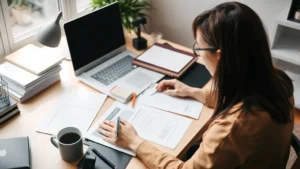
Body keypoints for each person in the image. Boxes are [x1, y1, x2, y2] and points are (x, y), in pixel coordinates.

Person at [98, 2, 295, 168]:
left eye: (199, 47)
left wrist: (135, 142)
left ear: (220, 55)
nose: (197, 54)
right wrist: (195, 92)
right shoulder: (276, 79)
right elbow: (242, 95)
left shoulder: (233, 128)